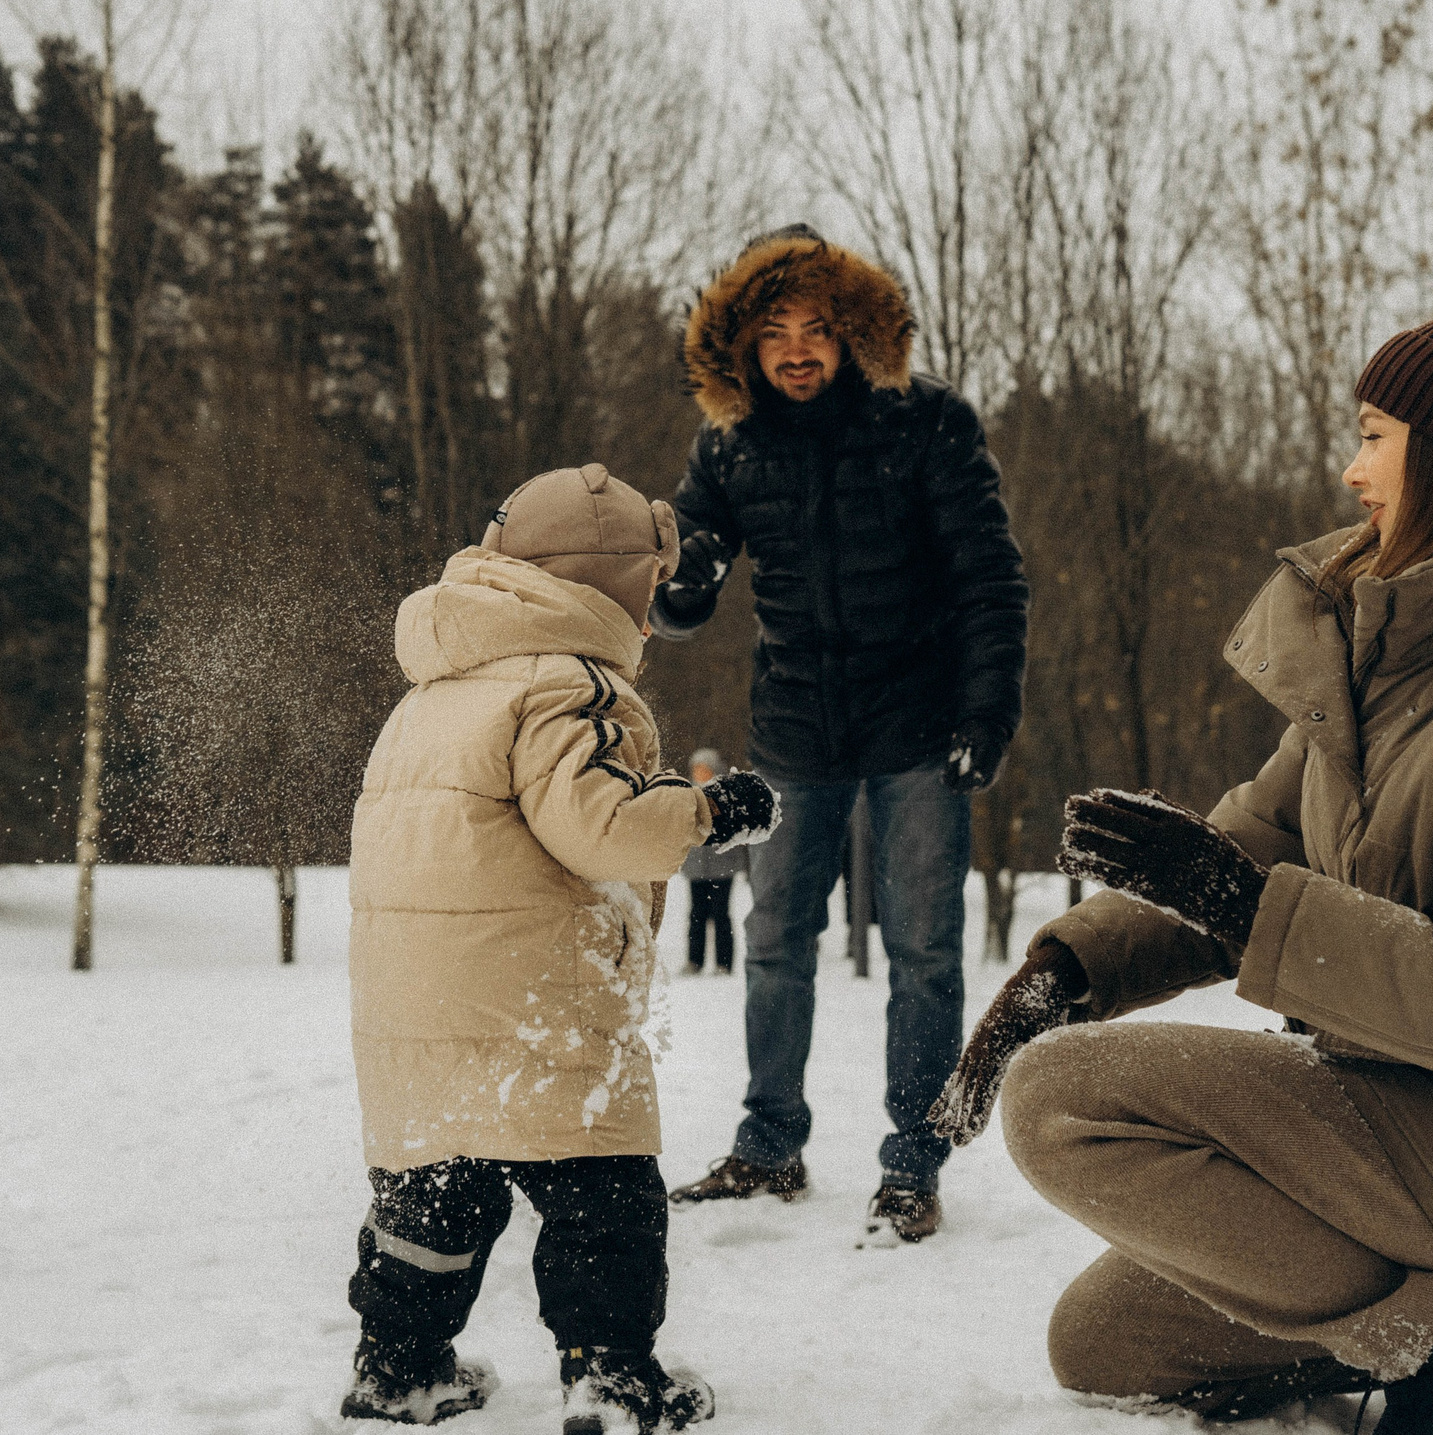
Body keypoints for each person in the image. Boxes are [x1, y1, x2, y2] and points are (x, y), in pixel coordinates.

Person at [932, 281, 1433, 1434]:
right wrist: (1070, 972)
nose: (1351, 471)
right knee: (1106, 1344)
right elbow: (1248, 847)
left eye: (1373, 438)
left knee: (1066, 1102)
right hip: (1399, 1115)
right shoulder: (1401, 661)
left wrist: (1251, 913)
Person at [342, 465, 778, 1432]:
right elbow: (600, 825)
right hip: (535, 1000)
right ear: (614, 589)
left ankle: (397, 1367)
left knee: (433, 1194)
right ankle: (613, 1377)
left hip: (413, 1009)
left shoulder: (432, 691)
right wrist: (709, 810)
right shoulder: (568, 682)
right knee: (600, 1192)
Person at [657, 227, 1027, 1248]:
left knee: (923, 949)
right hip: (793, 730)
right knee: (773, 940)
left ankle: (914, 1161)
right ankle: (768, 1144)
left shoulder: (926, 424)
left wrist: (987, 712)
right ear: (741, 346)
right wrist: (681, 583)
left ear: (856, 332)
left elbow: (988, 578)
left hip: (917, 726)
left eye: (819, 327)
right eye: (774, 332)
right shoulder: (730, 444)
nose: (798, 350)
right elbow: (689, 567)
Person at [679, 749, 740, 976]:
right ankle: (695, 961)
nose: (700, 773)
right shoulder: (686, 795)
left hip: (723, 868)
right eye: (697, 769)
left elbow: (731, 829)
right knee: (696, 915)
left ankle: (724, 963)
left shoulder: (726, 795)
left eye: (704, 769)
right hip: (696, 868)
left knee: (721, 914)